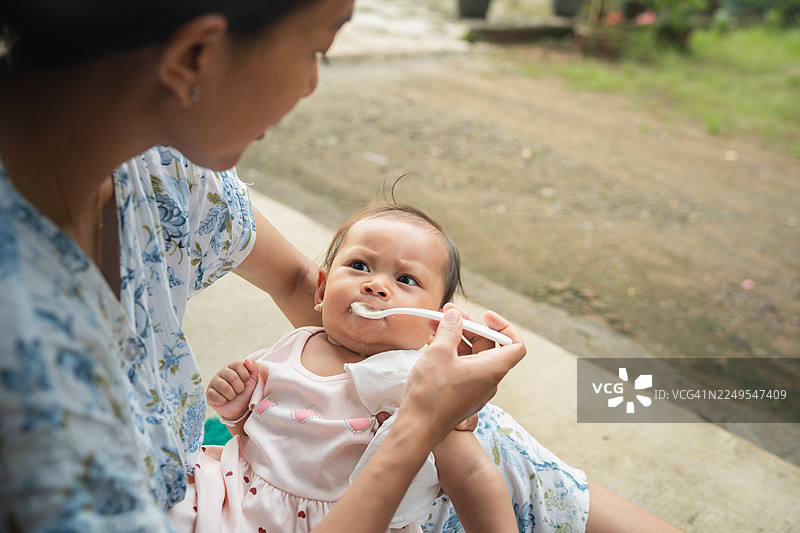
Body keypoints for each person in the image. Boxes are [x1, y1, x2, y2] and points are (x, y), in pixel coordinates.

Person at [0, 1, 679, 532]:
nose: (310, 84)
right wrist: (418, 421)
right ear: (196, 54)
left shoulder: (161, 161)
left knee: (492, 451)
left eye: (409, 280)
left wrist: (421, 385)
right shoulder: (25, 354)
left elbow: (303, 284)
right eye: (317, 47)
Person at [169, 203, 519, 532]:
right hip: (237, 500)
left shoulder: (418, 381)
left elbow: (471, 475)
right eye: (360, 266)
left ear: (436, 325)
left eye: (406, 280)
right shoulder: (293, 346)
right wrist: (238, 411)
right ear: (321, 290)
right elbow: (267, 437)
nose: (375, 285)